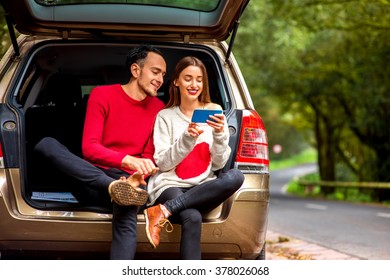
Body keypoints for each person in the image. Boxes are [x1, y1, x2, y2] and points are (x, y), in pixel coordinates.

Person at [33, 44, 167, 259]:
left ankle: (121, 190)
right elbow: (90, 148)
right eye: (155, 71)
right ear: (135, 70)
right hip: (92, 179)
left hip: (131, 182)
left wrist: (138, 174)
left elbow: (149, 154)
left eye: (163, 74)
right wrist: (126, 161)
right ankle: (115, 187)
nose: (160, 79)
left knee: (127, 204)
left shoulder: (159, 108)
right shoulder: (102, 95)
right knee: (47, 143)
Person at [144, 56, 245, 259]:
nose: (194, 84)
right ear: (176, 81)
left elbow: (218, 163)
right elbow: (163, 163)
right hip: (169, 185)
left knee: (236, 176)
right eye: (188, 78)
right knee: (192, 216)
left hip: (202, 186)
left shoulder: (214, 111)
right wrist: (187, 138)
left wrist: (219, 134)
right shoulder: (166, 116)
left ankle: (164, 211)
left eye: (199, 79)